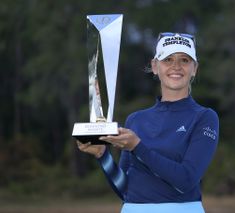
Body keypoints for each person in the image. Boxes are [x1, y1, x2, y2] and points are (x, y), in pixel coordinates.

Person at [77, 32, 219, 213]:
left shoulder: (204, 117)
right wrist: (102, 155)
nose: (176, 66)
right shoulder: (136, 119)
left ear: (194, 68)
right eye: (168, 59)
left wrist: (137, 147)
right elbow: (125, 190)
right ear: (155, 66)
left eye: (184, 60)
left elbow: (185, 181)